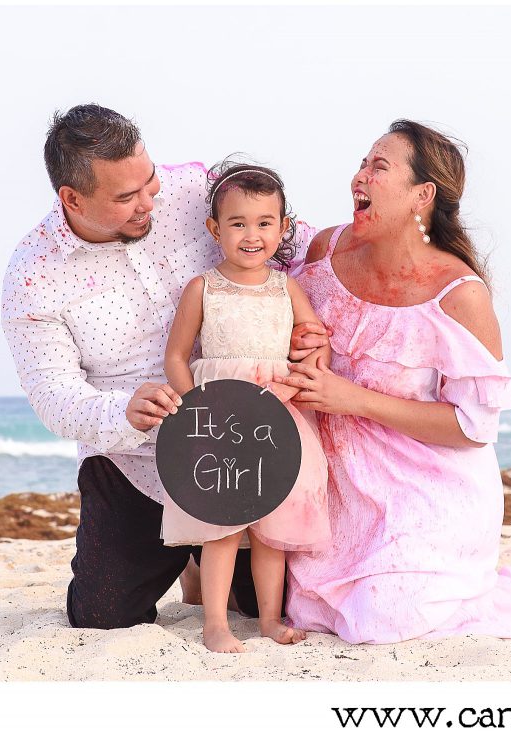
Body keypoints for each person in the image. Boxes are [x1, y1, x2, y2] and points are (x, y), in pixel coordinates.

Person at [1, 105, 316, 629]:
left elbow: (296, 242)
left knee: (272, 605)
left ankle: (196, 563)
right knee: (102, 617)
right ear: (72, 199)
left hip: (242, 440)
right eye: (126, 198)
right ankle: (183, 553)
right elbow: (52, 395)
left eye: (148, 182)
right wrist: (124, 411)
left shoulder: (196, 190)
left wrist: (311, 330)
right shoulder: (32, 276)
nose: (150, 202)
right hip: (136, 460)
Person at [278, 120, 511, 643]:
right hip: (333, 484)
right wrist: (299, 343)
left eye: (378, 167)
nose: (360, 176)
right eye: (362, 163)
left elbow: (472, 427)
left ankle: (492, 590)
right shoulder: (321, 252)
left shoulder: (458, 295)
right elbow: (279, 319)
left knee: (386, 618)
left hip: (425, 487)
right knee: (305, 608)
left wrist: (352, 398)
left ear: (421, 196)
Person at [162, 161, 330, 653]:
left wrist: (306, 367)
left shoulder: (286, 288)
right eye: (237, 223)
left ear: (283, 228)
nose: (251, 235)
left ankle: (270, 619)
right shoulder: (203, 289)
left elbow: (317, 341)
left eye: (264, 223)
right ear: (216, 229)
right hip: (218, 419)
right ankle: (215, 621)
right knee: (221, 523)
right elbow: (176, 356)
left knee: (271, 528)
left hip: (275, 419)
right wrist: (195, 409)